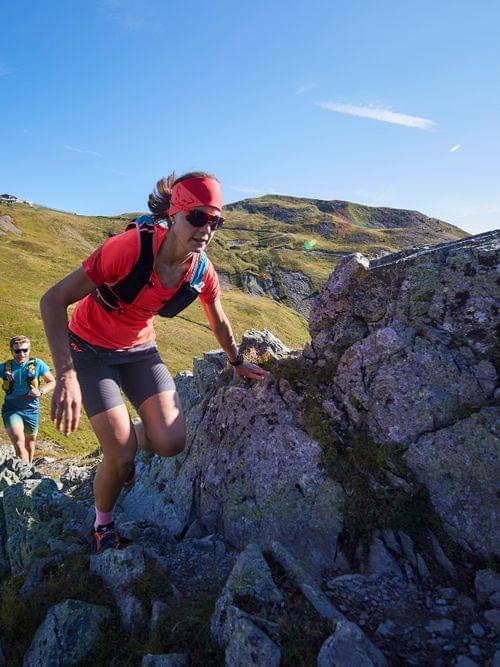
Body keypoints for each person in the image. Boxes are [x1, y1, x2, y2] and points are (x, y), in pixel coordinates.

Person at [40, 171, 268, 553]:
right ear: (174, 214)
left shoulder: (200, 271)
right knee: (120, 453)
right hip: (89, 350)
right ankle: (102, 524)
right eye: (197, 216)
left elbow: (219, 319)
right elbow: (52, 299)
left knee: (171, 442)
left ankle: (126, 437)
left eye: (215, 221)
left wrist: (237, 362)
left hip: (140, 351)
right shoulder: (128, 248)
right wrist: (65, 376)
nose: (206, 229)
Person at [1, 335, 55, 462]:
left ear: (29, 350)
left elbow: (52, 382)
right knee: (18, 441)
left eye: (25, 350)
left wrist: (40, 391)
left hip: (31, 411)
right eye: (17, 351)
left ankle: (27, 471)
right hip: (11, 409)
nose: (22, 354)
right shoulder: (5, 367)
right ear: (11, 351)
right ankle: (22, 473)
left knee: (30, 444)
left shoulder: (38, 364)